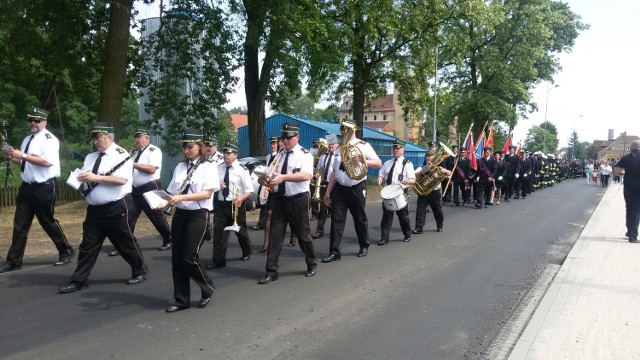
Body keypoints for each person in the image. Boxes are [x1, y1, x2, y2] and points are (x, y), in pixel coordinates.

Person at [58, 122, 148, 294]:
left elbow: (121, 180)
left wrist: (95, 177)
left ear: (109, 137)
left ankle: (140, 269)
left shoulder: (121, 155)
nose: (95, 141)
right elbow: (87, 176)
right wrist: (80, 179)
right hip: (94, 209)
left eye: (98, 137)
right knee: (88, 246)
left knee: (124, 243)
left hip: (115, 207)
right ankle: (78, 280)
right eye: (93, 138)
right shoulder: (91, 157)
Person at [0, 107, 74, 273]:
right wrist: (13, 157)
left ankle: (66, 251)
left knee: (47, 221)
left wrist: (23, 155)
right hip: (27, 187)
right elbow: (26, 163)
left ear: (45, 122)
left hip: (44, 186)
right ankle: (14, 260)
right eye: (30, 120)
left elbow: (47, 162)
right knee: (20, 224)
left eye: (37, 120)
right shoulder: (27, 139)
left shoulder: (50, 139)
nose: (33, 123)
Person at [163, 129, 219, 312]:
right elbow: (172, 192)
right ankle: (181, 300)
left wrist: (181, 199)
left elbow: (207, 193)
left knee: (189, 256)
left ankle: (207, 287)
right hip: (181, 216)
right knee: (177, 259)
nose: (186, 150)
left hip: (198, 215)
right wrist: (162, 200)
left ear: (199, 146)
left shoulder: (208, 166)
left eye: (190, 146)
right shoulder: (180, 167)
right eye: (184, 147)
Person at [258, 122, 318, 284]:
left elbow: (306, 175)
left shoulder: (304, 154)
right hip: (279, 200)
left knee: (303, 235)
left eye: (287, 138)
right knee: (275, 236)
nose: (284, 141)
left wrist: (284, 177)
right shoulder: (279, 155)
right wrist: (263, 178)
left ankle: (311, 263)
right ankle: (271, 270)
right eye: (282, 138)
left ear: (296, 137)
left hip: (298, 199)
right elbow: (269, 175)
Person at [322, 120, 382, 262]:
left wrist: (363, 160)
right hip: (340, 189)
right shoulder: (338, 149)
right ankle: (334, 251)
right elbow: (334, 172)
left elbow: (378, 163)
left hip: (357, 187)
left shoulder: (363, 146)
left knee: (359, 218)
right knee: (337, 220)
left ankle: (364, 245)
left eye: (346, 129)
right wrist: (328, 191)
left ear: (353, 130)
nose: (343, 132)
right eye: (342, 129)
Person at [207, 140, 254, 269]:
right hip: (221, 204)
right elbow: (211, 185)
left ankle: (247, 250)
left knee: (240, 230)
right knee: (219, 233)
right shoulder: (218, 168)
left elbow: (249, 189)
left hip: (236, 204)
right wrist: (218, 185)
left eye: (229, 153)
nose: (226, 155)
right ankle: (218, 261)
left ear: (235, 154)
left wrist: (241, 198)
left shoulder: (242, 169)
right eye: (225, 152)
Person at [128, 128, 172, 251]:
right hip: (136, 189)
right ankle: (126, 242)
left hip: (150, 187)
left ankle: (169, 239)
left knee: (156, 216)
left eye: (139, 137)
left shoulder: (154, 151)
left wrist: (133, 164)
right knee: (129, 216)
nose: (136, 139)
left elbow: (152, 169)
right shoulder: (136, 153)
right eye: (135, 137)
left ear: (147, 138)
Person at [377, 140, 415, 245]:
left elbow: (413, 180)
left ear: (403, 150)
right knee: (386, 217)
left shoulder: (407, 164)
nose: (395, 150)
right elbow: (381, 174)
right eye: (394, 148)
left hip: (400, 193)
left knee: (403, 216)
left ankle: (407, 234)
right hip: (388, 193)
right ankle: (384, 238)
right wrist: (380, 179)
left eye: (398, 148)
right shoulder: (387, 163)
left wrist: (407, 181)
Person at [412, 150, 449, 234]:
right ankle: (419, 228)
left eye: (430, 156)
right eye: (427, 156)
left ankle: (440, 226)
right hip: (423, 191)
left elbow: (448, 174)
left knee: (437, 209)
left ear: (434, 157)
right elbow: (414, 174)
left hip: (434, 191)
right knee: (420, 209)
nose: (428, 158)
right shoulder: (423, 167)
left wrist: (446, 171)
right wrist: (421, 172)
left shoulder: (438, 167)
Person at [312, 134, 338, 240]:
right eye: (329, 144)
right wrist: (317, 173)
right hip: (324, 184)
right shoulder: (323, 156)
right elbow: (319, 169)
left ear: (337, 145)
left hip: (336, 185)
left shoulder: (338, 156)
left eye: (332, 144)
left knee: (336, 209)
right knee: (322, 208)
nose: (330, 146)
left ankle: (335, 231)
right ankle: (319, 231)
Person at [613, 140, 640, 243]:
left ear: (633, 146)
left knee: (629, 208)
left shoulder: (626, 158)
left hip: (628, 187)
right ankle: (632, 236)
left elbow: (616, 171)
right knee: (636, 211)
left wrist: (624, 173)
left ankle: (629, 231)